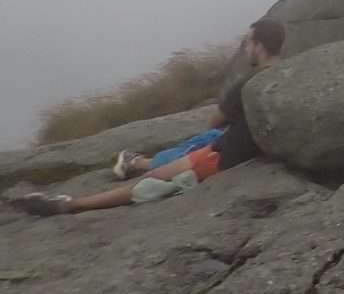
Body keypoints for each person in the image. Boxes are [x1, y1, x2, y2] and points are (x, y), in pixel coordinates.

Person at [16, 22, 287, 217]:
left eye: (249, 42)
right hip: (228, 147)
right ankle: (117, 174)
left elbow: (214, 120)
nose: (246, 47)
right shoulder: (288, 74)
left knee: (148, 185)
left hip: (223, 157)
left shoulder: (249, 82)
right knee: (163, 170)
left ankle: (72, 204)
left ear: (259, 46)